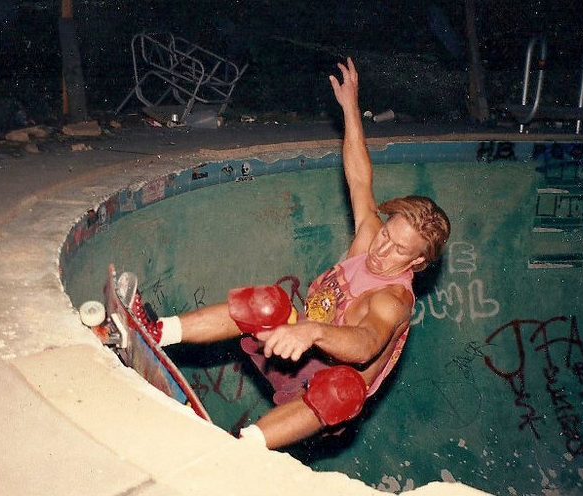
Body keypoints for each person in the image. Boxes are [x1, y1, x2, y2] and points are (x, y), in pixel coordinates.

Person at [129, 57, 451, 450]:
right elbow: (359, 176)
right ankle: (158, 331)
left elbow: (367, 343)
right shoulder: (371, 237)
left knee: (344, 387)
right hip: (293, 352)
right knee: (269, 302)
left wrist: (312, 331)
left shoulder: (394, 298)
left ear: (417, 263)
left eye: (398, 250)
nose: (380, 249)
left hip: (322, 394)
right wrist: (350, 106)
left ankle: (240, 449)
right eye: (386, 234)